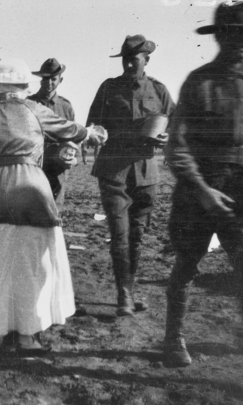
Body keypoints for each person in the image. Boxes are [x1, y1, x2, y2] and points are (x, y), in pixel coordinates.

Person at [0, 59, 106, 353]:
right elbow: (71, 129)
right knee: (32, 264)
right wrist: (91, 133)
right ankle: (28, 336)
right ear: (23, 85)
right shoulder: (34, 109)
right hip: (33, 189)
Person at [163, 2, 243, 377]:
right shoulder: (198, 82)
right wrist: (202, 190)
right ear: (221, 36)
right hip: (200, 191)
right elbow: (177, 146)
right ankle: (173, 338)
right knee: (186, 264)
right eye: (237, 32)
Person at [87, 34, 175, 317]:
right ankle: (123, 294)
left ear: (146, 60)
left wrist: (166, 137)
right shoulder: (109, 88)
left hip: (146, 173)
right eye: (124, 59)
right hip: (114, 170)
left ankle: (130, 289)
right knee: (120, 234)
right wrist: (100, 134)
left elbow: (175, 123)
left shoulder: (158, 90)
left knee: (137, 235)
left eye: (133, 59)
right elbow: (93, 124)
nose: (128, 64)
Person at [28, 58, 77, 209]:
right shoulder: (29, 103)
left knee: (55, 210)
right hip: (33, 166)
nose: (48, 82)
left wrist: (72, 158)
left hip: (58, 168)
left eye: (53, 79)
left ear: (60, 80)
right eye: (45, 78)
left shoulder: (65, 106)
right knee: (32, 208)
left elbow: (73, 137)